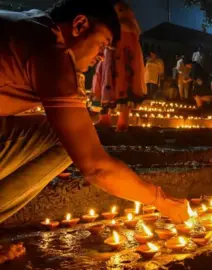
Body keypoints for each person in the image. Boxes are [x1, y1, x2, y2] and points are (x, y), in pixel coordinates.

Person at [0, 0, 188, 240]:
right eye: (102, 44)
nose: (101, 57)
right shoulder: (51, 49)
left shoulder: (32, 26)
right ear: (80, 24)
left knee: (75, 125)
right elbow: (95, 166)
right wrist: (160, 199)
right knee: (68, 136)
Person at [92, 1, 146, 131]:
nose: (119, 12)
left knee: (122, 90)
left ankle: (122, 122)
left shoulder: (129, 27)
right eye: (117, 10)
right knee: (102, 88)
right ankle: (104, 118)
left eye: (122, 9)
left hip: (122, 64)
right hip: (108, 62)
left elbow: (131, 50)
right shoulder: (115, 26)